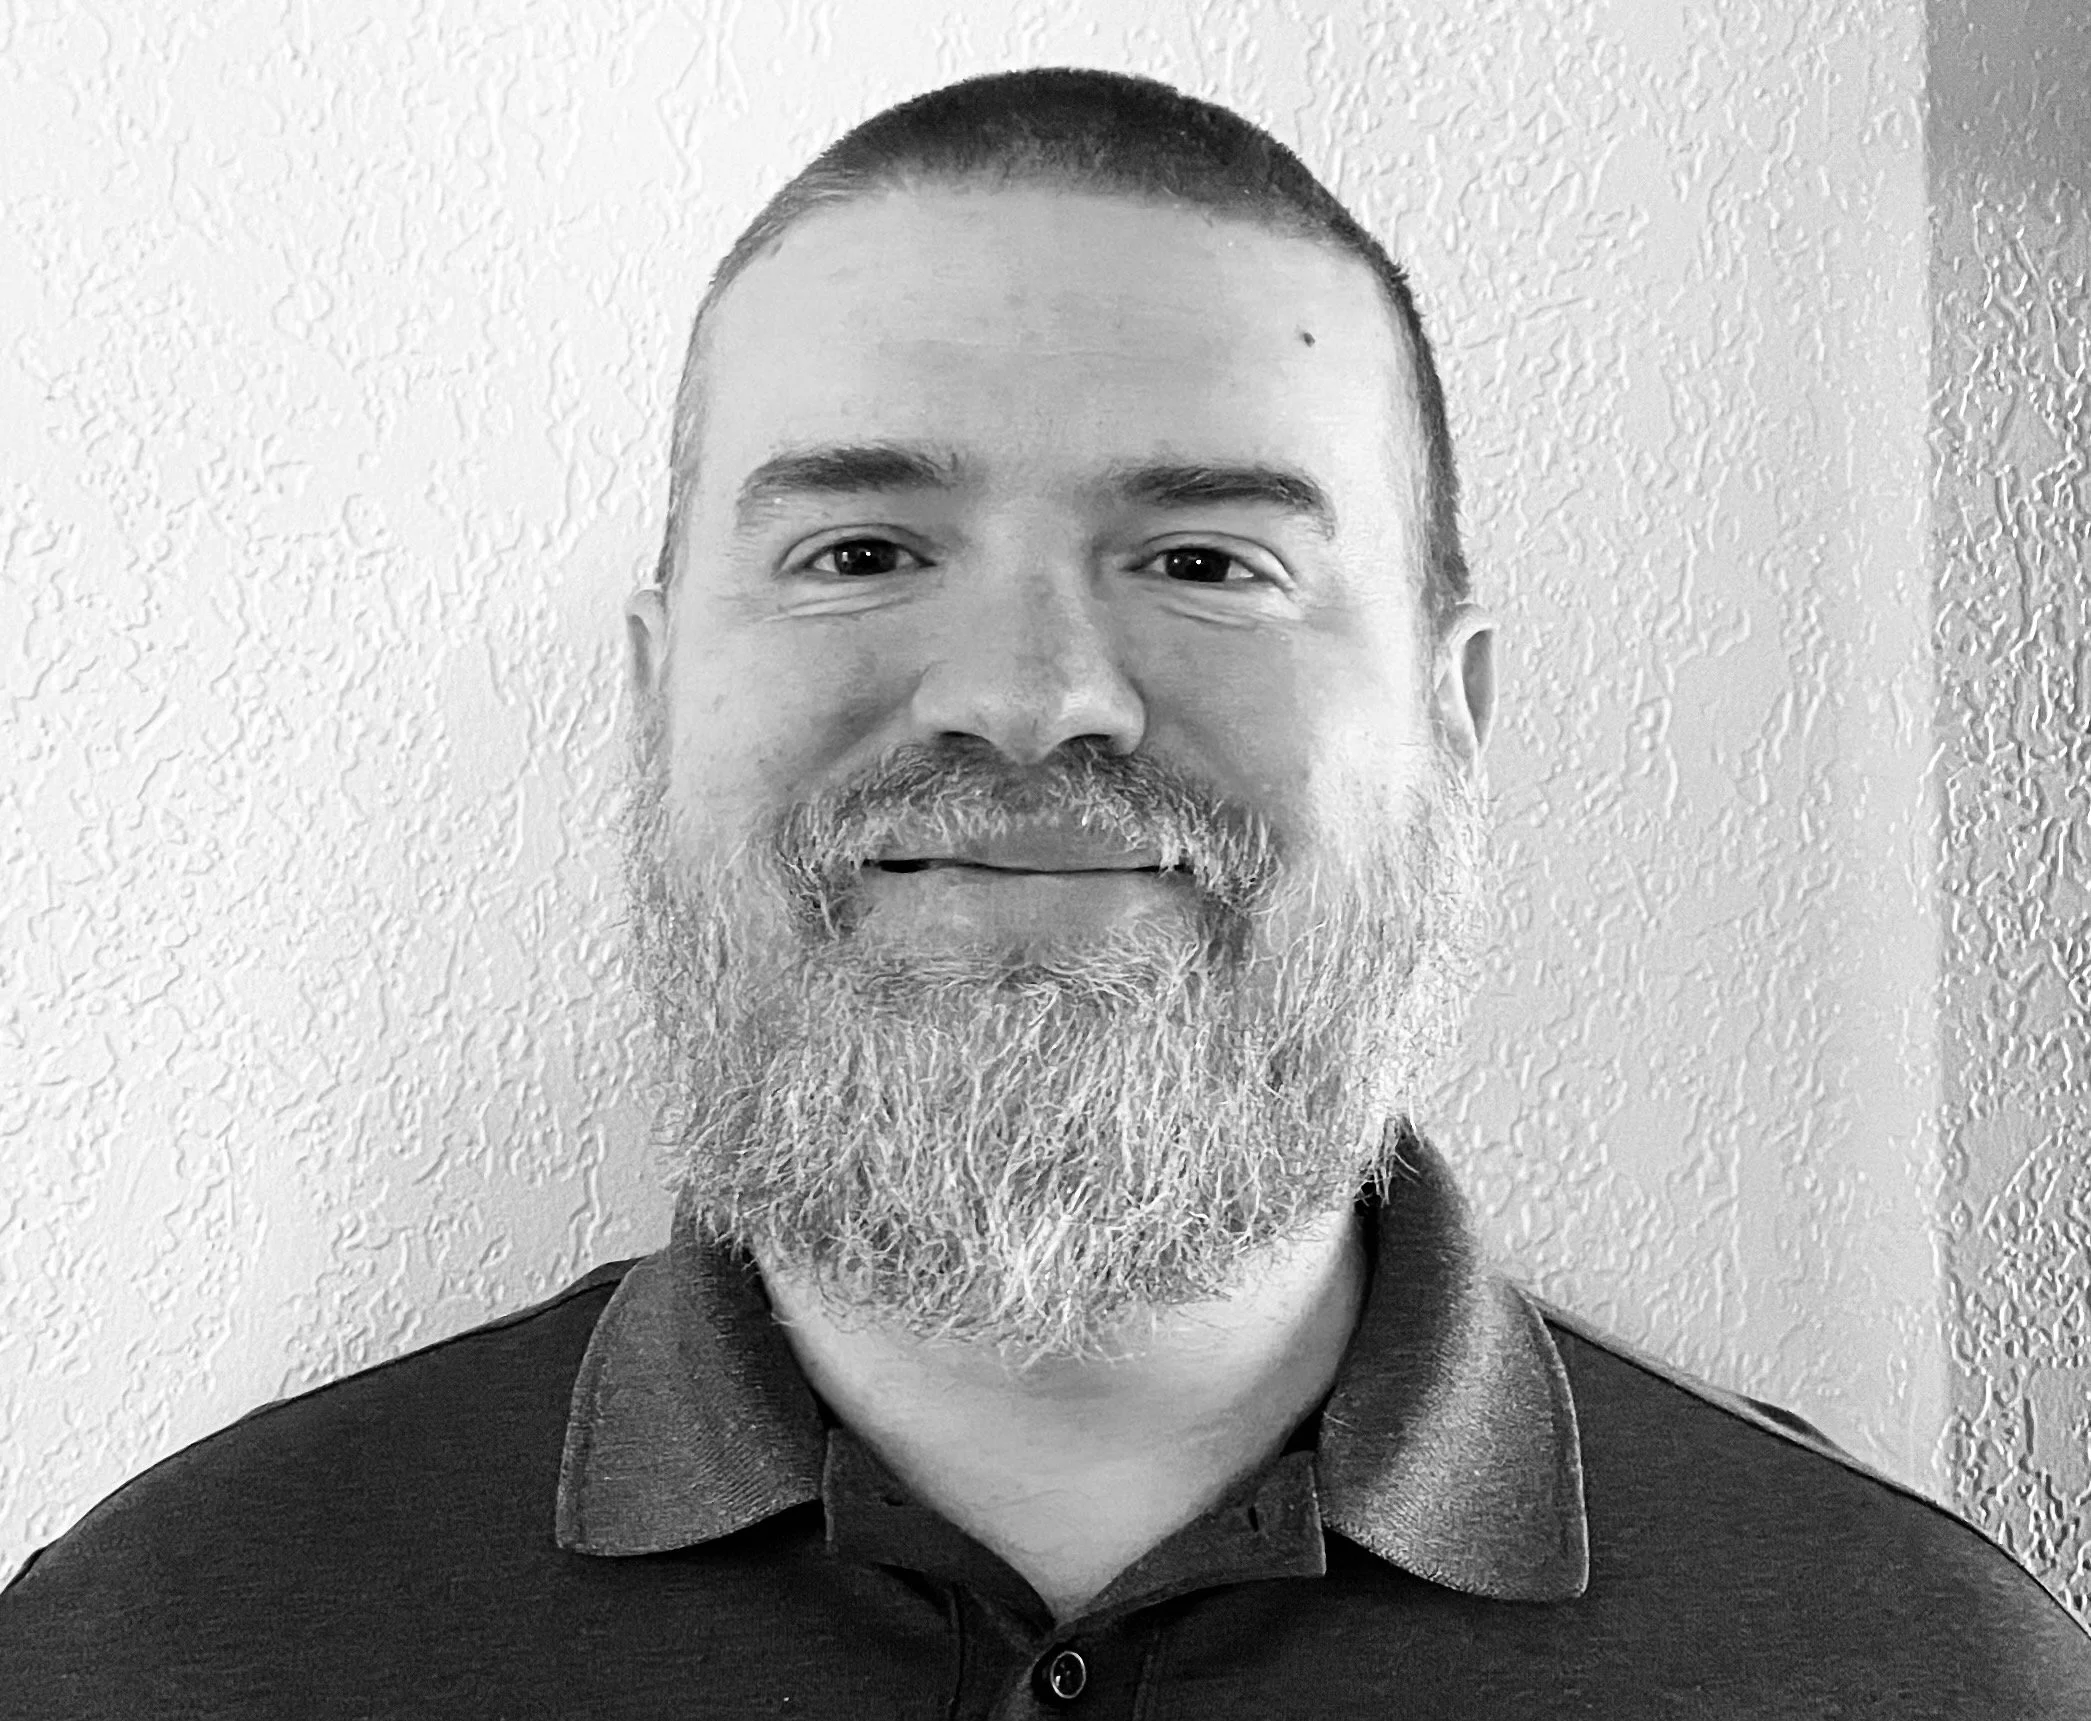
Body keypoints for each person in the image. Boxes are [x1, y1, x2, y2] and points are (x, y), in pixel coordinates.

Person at [5, 66, 2086, 1718]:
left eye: (1205, 560)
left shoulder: (1923, 1672)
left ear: (1454, 720)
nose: (1028, 700)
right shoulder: (151, 1650)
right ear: (655, 697)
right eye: (860, 550)